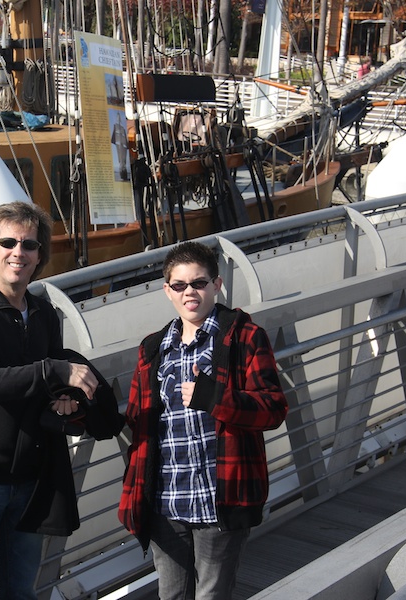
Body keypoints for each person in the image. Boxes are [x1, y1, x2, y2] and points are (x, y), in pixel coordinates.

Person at [0, 201, 123, 599]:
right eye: (8, 242)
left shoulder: (43, 313)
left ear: (40, 256)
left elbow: (44, 386)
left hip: (31, 475)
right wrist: (55, 372)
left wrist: (62, 400)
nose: (18, 252)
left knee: (21, 591)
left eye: (29, 245)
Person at [118, 241, 288, 600]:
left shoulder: (243, 336)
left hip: (219, 498)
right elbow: (138, 420)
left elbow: (273, 408)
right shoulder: (153, 348)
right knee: (172, 596)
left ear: (217, 285)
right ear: (167, 291)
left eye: (199, 283)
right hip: (167, 500)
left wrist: (215, 398)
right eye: (179, 285)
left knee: (212, 595)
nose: (189, 292)